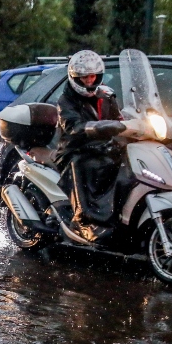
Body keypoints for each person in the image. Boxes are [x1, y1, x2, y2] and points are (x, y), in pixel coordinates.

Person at [51, 50, 125, 243]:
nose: (89, 81)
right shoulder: (66, 100)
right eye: (84, 77)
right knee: (81, 165)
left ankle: (117, 216)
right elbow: (72, 126)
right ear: (76, 77)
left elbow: (118, 118)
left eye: (93, 76)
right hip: (73, 149)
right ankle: (83, 222)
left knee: (124, 162)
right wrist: (96, 127)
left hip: (100, 147)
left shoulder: (107, 95)